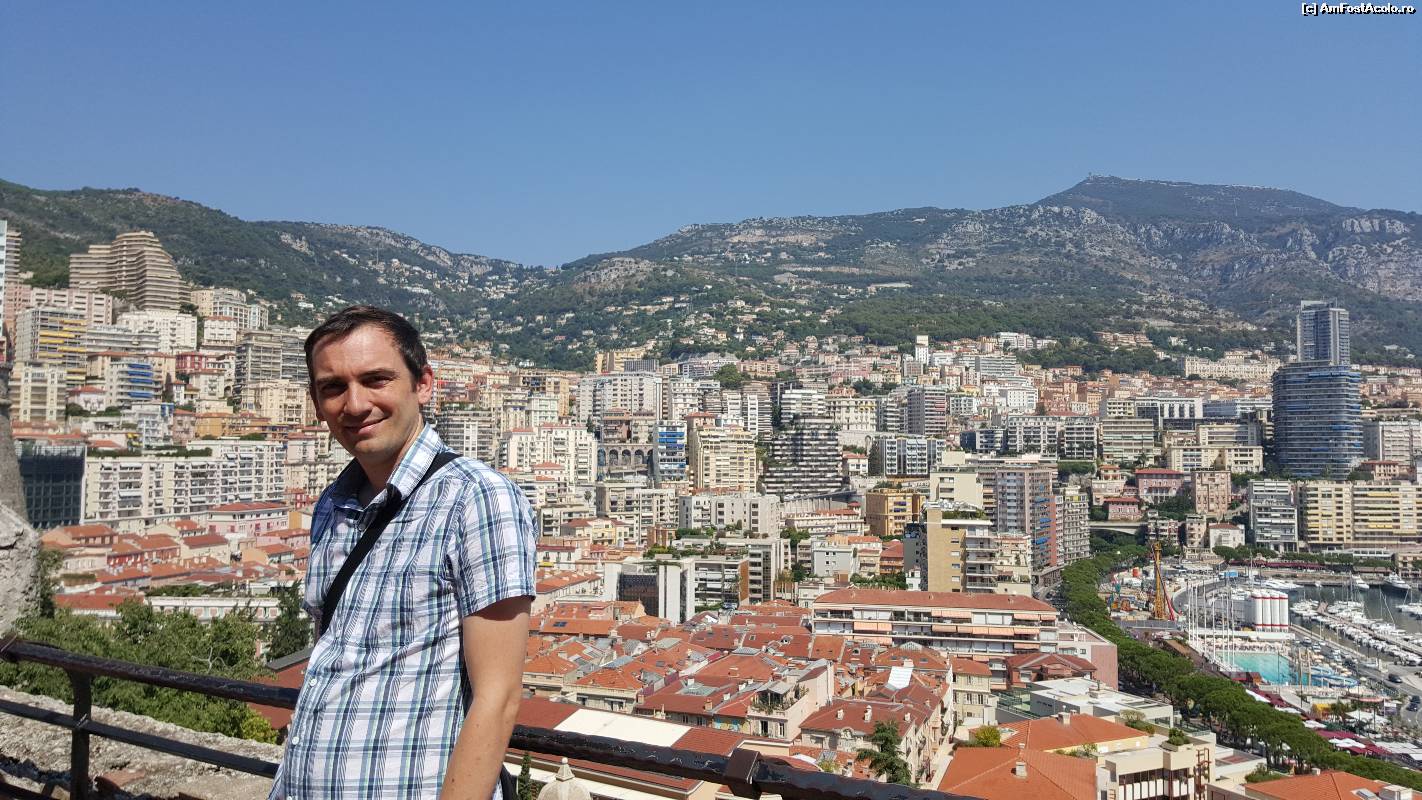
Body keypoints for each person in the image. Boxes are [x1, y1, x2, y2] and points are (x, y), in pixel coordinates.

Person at [269, 305, 536, 799]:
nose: (355, 404)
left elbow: (498, 697)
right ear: (316, 402)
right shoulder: (332, 505)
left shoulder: (476, 497)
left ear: (424, 384)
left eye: (376, 379)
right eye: (333, 387)